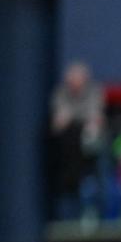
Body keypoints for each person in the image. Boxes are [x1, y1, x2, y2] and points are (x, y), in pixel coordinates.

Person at [50, 60, 106, 221]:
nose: (73, 83)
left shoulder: (94, 90)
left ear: (85, 79)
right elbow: (58, 122)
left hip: (94, 147)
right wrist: (79, 119)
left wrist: (73, 117)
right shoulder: (61, 92)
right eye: (71, 79)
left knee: (101, 182)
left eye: (77, 79)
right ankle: (67, 223)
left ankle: (104, 223)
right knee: (67, 186)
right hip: (68, 151)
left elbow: (95, 117)